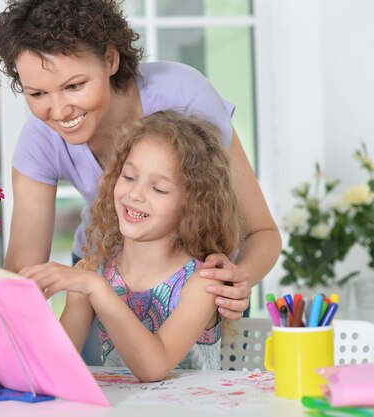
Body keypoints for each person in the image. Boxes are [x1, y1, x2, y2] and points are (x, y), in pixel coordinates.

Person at [0, 0, 281, 361]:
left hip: (197, 277)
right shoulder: (40, 140)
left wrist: (238, 280)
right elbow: (23, 271)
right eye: (37, 94)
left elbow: (262, 233)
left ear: (111, 59)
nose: (60, 110)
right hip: (106, 264)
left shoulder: (183, 95)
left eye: (75, 85)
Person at [20, 110, 240, 380]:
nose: (135, 194)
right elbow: (50, 369)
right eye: (129, 177)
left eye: (158, 188)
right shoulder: (94, 272)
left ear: (192, 206)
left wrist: (95, 288)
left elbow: (154, 367)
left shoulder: (202, 282)